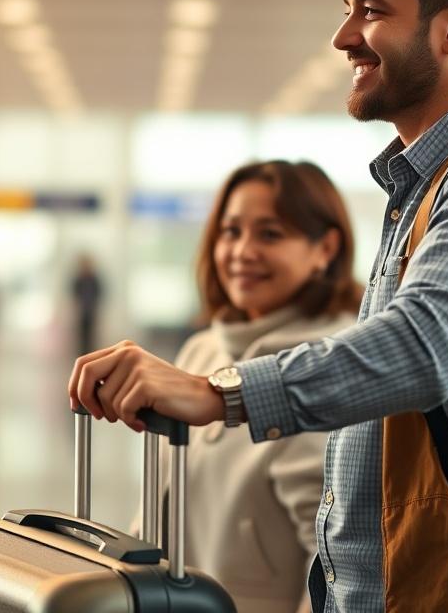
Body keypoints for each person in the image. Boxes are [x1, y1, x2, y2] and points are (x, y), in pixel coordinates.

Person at [69, 0, 448, 613]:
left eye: (371, 10)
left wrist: (218, 393)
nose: (344, 36)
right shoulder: (425, 183)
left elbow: (426, 346)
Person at [137, 161, 361, 613]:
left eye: (270, 234)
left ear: (326, 248)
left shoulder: (332, 365)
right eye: (230, 232)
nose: (242, 251)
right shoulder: (203, 350)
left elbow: (334, 562)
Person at [70, 253, 103, 357]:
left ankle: (91, 354)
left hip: (91, 311)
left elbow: (100, 293)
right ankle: (81, 355)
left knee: (91, 335)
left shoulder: (94, 279)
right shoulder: (78, 279)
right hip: (81, 312)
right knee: (80, 336)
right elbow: (74, 294)